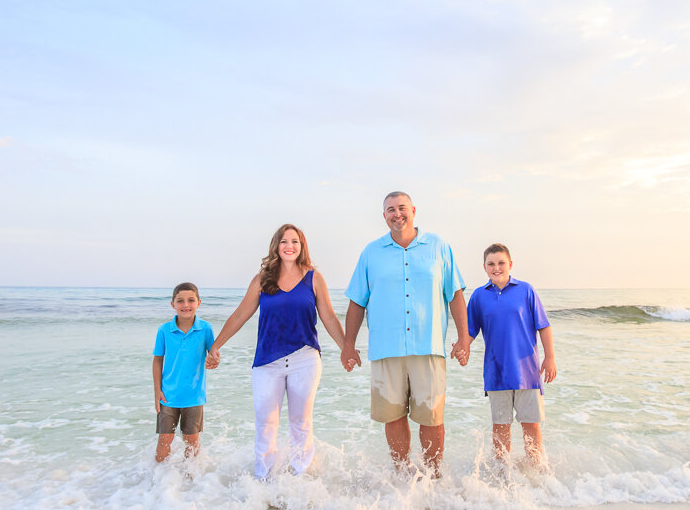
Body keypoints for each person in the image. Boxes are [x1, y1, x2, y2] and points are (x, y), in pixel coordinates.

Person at [340, 191, 471, 475]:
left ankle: (434, 477)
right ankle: (403, 477)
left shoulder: (438, 246)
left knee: (432, 418)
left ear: (413, 210)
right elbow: (357, 302)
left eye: (402, 208)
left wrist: (464, 337)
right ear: (384, 216)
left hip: (429, 345)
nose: (397, 214)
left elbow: (456, 294)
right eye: (390, 210)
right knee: (393, 416)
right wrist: (348, 345)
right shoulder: (371, 253)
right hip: (387, 347)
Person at [208, 224, 347, 479]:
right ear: (276, 246)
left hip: (304, 358)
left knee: (300, 423)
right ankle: (262, 478)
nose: (289, 246)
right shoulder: (263, 278)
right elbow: (241, 314)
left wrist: (346, 348)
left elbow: (328, 315)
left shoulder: (314, 278)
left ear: (302, 246)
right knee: (265, 422)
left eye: (295, 241)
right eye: (284, 241)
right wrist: (215, 346)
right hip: (266, 362)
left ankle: (299, 477)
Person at [466, 243, 557, 468]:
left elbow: (544, 326)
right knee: (500, 427)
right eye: (491, 264)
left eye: (501, 263)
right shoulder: (478, 296)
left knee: (531, 425)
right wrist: (461, 348)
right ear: (484, 267)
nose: (496, 268)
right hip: (496, 372)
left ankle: (536, 472)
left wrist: (550, 358)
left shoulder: (526, 290)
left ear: (510, 264)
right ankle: (503, 474)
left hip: (527, 372)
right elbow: (469, 331)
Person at [152, 282, 217, 463]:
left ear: (199, 302)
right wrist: (157, 391)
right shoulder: (164, 330)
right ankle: (159, 479)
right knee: (165, 439)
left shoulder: (206, 328)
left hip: (194, 395)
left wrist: (215, 360)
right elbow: (157, 361)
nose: (186, 305)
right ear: (172, 304)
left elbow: (213, 354)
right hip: (168, 395)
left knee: (192, 441)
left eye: (191, 300)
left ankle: (191, 481)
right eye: (180, 301)